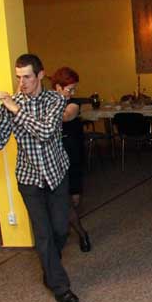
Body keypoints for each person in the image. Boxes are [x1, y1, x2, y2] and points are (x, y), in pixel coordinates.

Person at [0, 54, 79, 302]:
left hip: (56, 174)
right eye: (18, 77)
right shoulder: (12, 103)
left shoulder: (55, 100)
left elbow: (46, 132)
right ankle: (60, 287)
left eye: (27, 76)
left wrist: (16, 109)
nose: (22, 82)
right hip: (29, 179)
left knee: (61, 229)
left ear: (40, 75)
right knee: (44, 234)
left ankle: (50, 268)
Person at [50, 67, 91, 253]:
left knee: (74, 200)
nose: (73, 93)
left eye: (75, 89)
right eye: (70, 89)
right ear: (58, 87)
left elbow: (66, 116)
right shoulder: (47, 101)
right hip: (55, 157)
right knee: (63, 201)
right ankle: (80, 234)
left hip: (72, 153)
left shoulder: (72, 104)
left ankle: (71, 229)